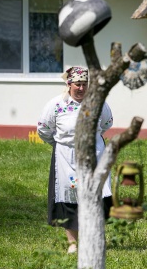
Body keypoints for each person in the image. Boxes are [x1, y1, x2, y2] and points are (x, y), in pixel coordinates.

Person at [37, 66, 114, 254]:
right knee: (69, 198)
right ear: (69, 84)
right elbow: (44, 129)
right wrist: (60, 144)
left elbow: (106, 123)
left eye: (85, 84)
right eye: (77, 84)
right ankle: (72, 243)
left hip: (93, 155)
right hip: (65, 157)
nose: (81, 88)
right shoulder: (56, 104)